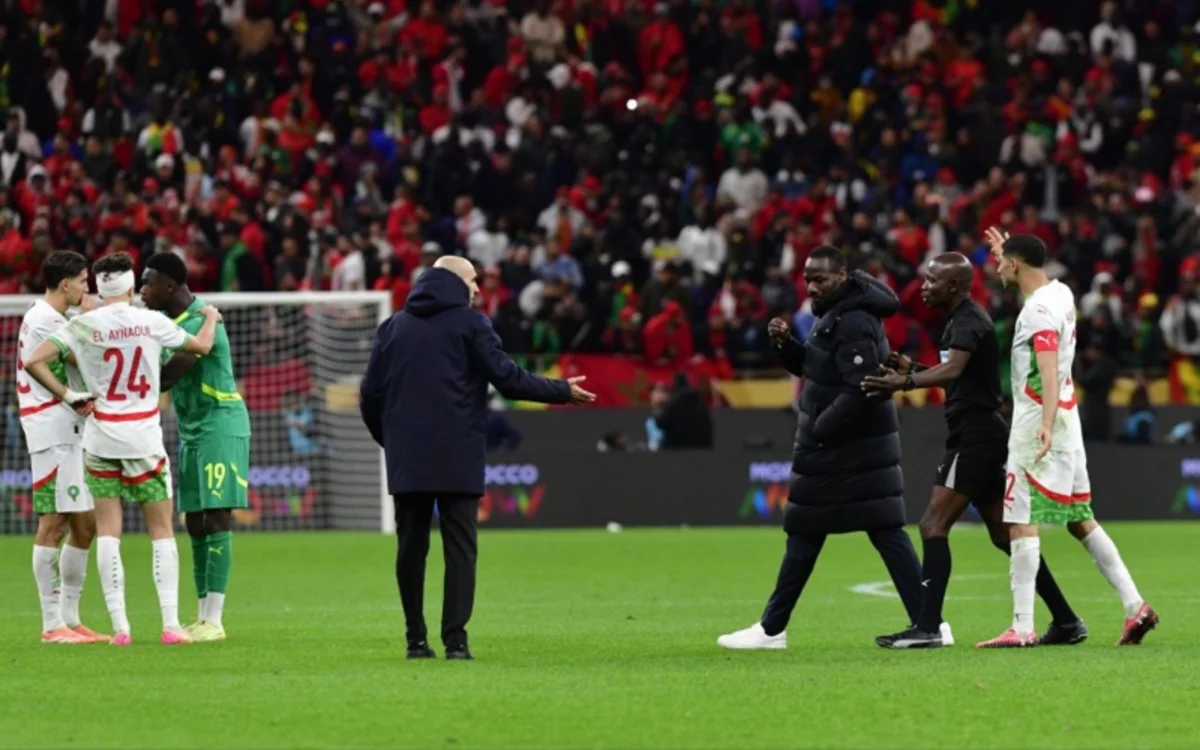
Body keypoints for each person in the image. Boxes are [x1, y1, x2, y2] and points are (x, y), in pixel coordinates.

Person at [360, 255, 596, 660]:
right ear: (453, 282)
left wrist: (393, 442)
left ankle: (415, 640)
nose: (476, 289)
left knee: (410, 548)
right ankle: (456, 642)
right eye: (472, 280)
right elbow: (508, 379)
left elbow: (369, 396)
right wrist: (560, 390)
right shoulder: (472, 324)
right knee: (460, 549)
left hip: (408, 457)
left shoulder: (392, 327)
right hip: (458, 453)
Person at [861, 252, 1085, 649]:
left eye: (931, 281)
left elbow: (950, 373)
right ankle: (1066, 620)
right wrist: (914, 368)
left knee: (933, 524)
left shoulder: (966, 321)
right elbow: (957, 376)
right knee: (1005, 534)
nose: (924, 287)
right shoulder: (963, 321)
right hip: (982, 432)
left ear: (953, 287)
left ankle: (927, 627)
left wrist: (903, 382)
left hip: (975, 436)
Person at [717, 246, 933, 650]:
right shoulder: (840, 312)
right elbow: (821, 370)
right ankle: (929, 622)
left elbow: (862, 385)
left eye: (821, 279)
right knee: (866, 530)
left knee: (817, 532)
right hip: (855, 447)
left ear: (843, 277)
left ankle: (771, 630)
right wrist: (786, 346)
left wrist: (820, 427)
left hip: (845, 447)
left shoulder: (851, 319)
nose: (812, 287)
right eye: (808, 279)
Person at [22, 252, 221, 646]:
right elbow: (200, 346)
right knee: (161, 531)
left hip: (99, 438)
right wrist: (211, 316)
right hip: (143, 439)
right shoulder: (151, 321)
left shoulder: (82, 324)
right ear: (132, 288)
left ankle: (121, 628)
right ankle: (170, 625)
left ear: (97, 286)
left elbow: (34, 360)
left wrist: (70, 394)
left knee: (107, 531)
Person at [976, 230, 1159, 648]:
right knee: (1080, 519)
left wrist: (1043, 422)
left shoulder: (1038, 311)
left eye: (1002, 260)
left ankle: (1021, 626)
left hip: (1040, 422)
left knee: (1021, 520)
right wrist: (1007, 248)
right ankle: (1135, 607)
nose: (997, 266)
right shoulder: (1060, 294)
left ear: (1016, 265)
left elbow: (1048, 362)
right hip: (1067, 420)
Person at [142, 251, 252, 643]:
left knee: (216, 516)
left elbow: (169, 376)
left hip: (220, 424)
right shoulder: (173, 322)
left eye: (147, 282)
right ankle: (202, 614)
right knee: (193, 521)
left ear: (169, 285)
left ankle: (215, 618)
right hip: (192, 430)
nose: (142, 291)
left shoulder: (202, 321)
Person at [17, 250, 108, 643]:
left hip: (70, 431)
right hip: (51, 430)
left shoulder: (55, 318)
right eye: (83, 280)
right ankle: (52, 623)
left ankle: (70, 618)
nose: (86, 287)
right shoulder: (44, 322)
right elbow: (86, 355)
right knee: (53, 524)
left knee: (85, 525)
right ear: (66, 283)